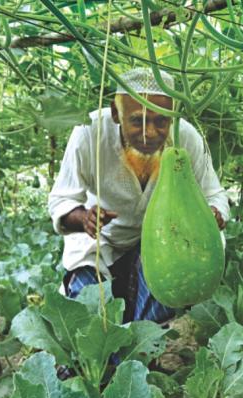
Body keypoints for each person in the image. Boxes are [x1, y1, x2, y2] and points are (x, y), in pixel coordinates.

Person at [48, 68, 229, 325]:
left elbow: (215, 194)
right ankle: (101, 360)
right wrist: (84, 218)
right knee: (89, 313)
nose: (150, 132)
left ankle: (141, 353)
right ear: (115, 113)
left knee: (155, 313)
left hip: (161, 243)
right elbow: (60, 201)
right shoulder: (88, 133)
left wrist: (214, 213)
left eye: (161, 121)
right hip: (100, 242)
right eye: (137, 120)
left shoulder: (185, 137)